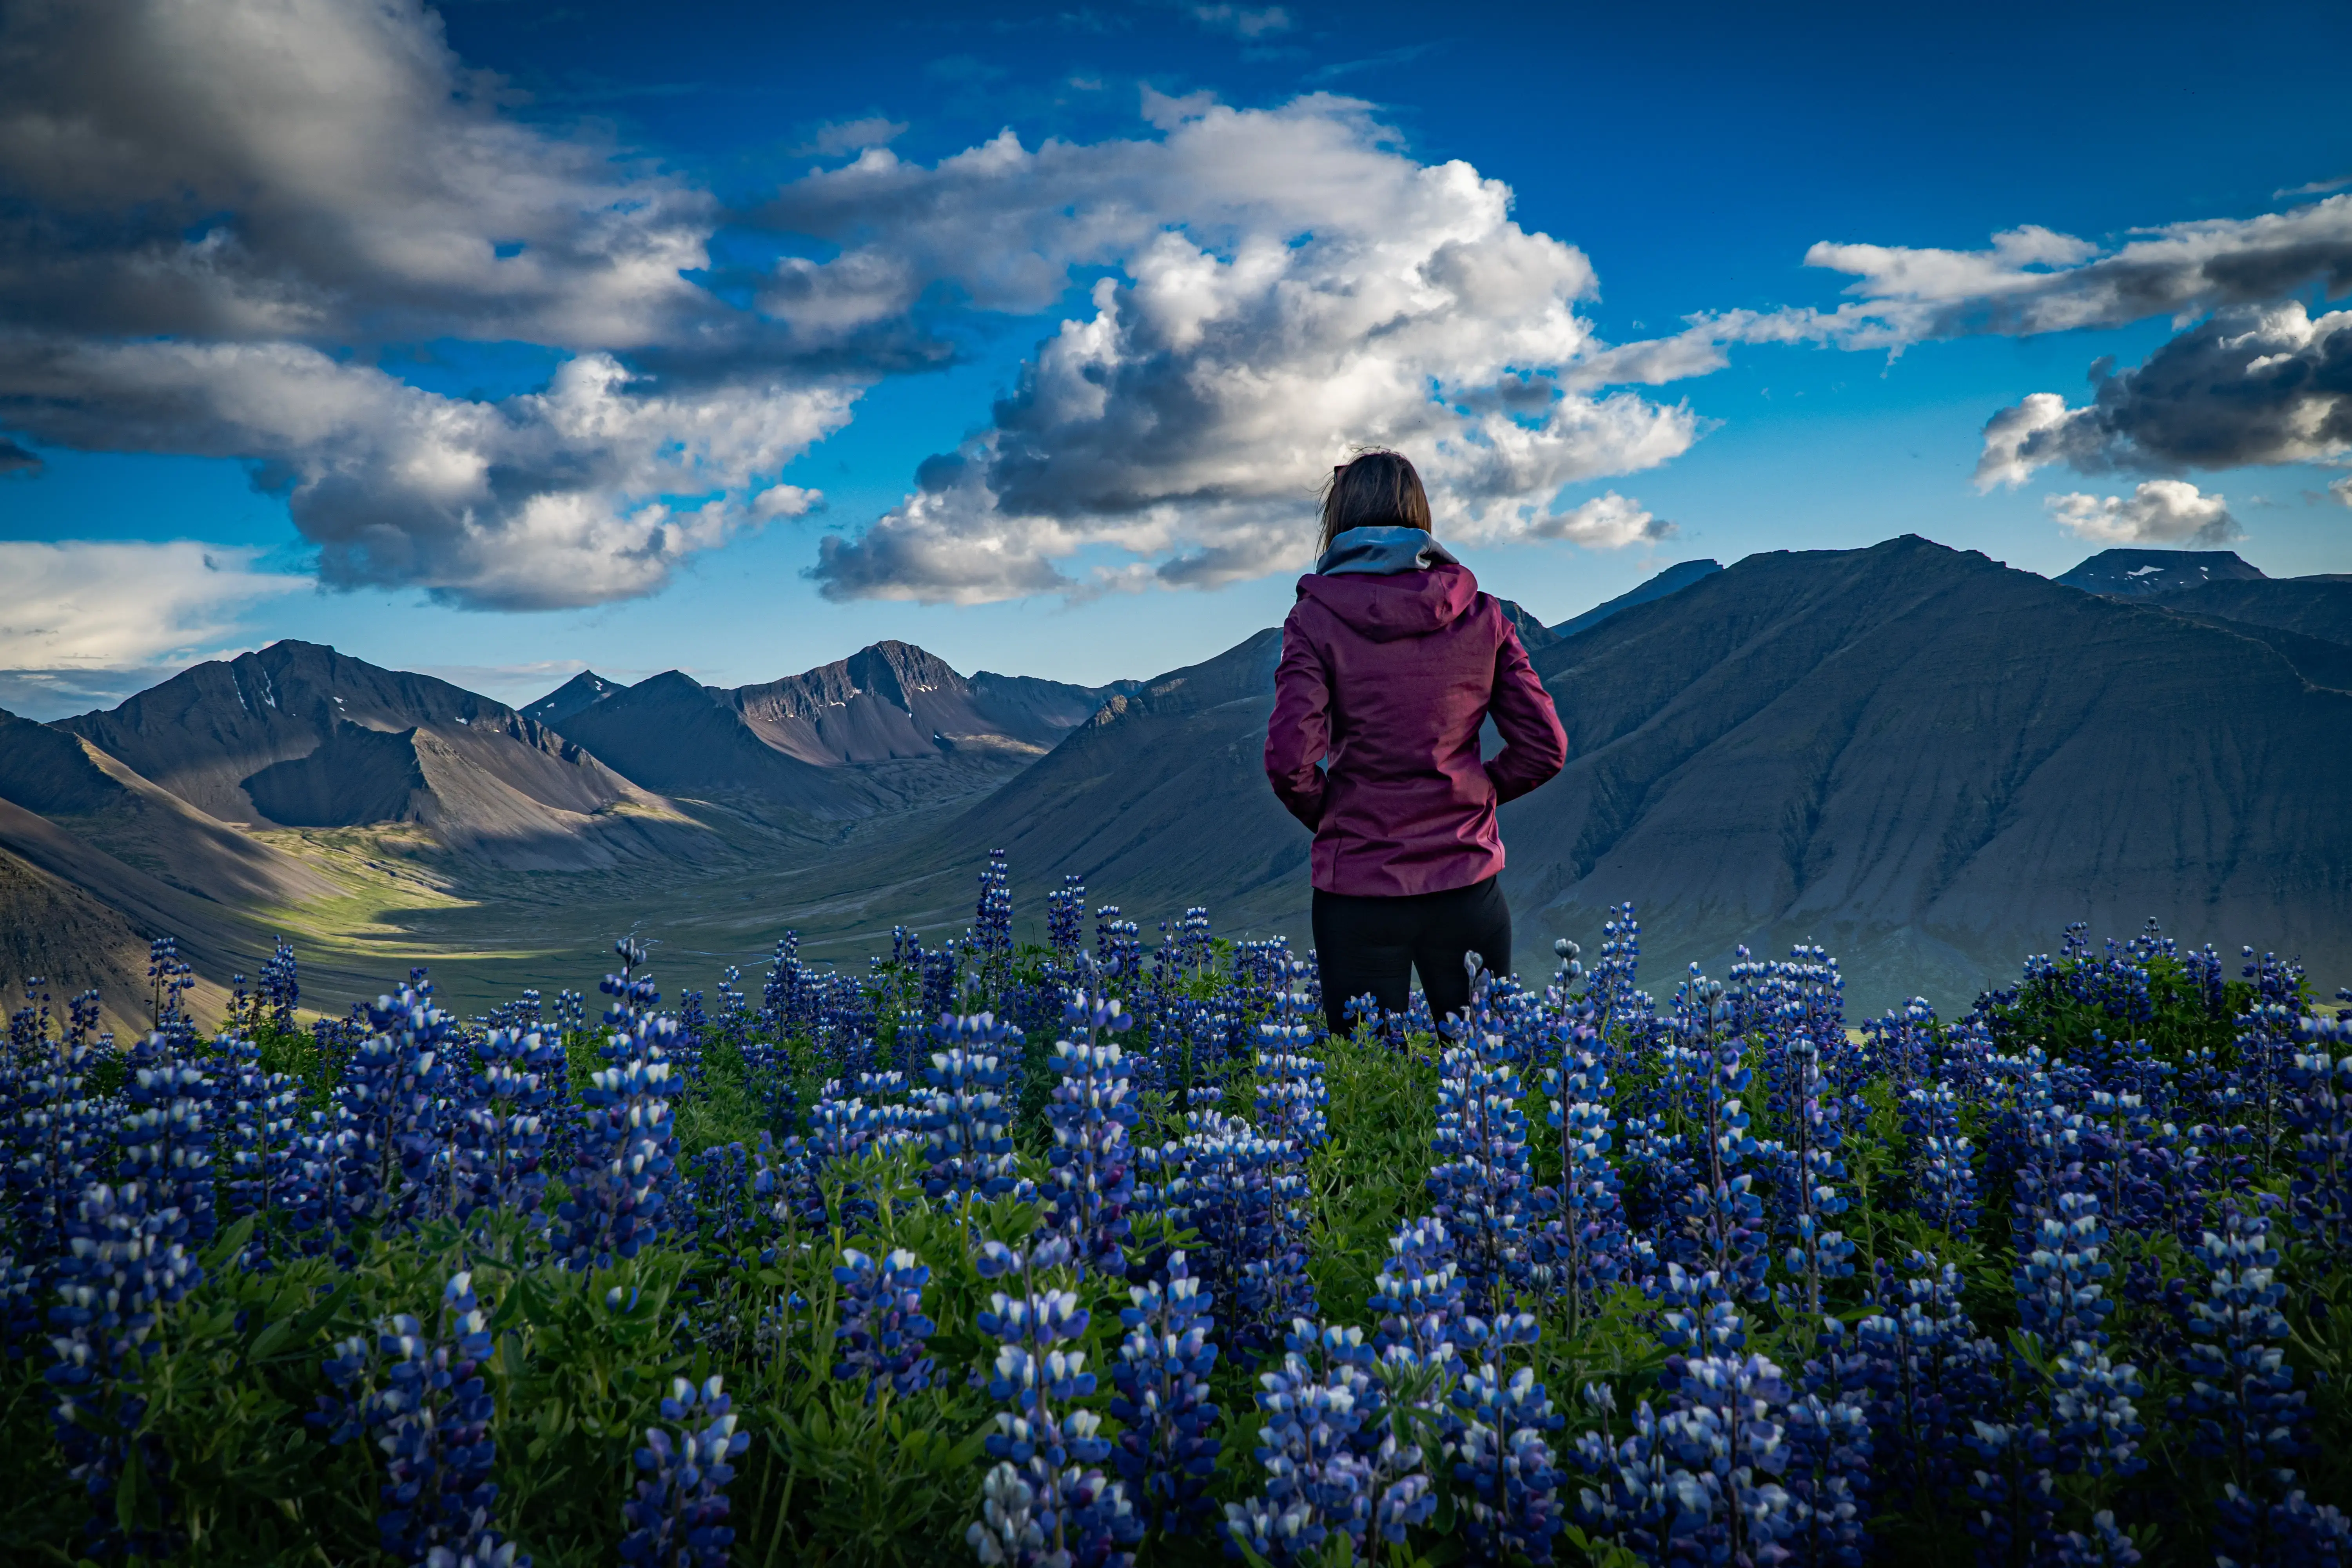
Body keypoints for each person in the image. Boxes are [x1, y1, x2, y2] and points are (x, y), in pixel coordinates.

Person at [1264, 450, 1567, 1034]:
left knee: (1368, 1092)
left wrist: (1342, 821)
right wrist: (1471, 796)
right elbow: (1544, 746)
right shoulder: (1481, 615)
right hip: (1467, 884)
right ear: (1420, 516)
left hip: (1358, 890)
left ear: (1340, 521)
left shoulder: (1313, 620)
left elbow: (1288, 763)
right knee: (1483, 1086)